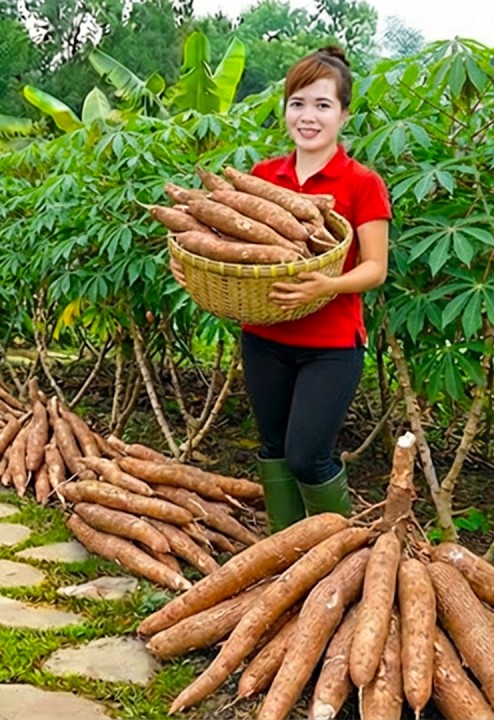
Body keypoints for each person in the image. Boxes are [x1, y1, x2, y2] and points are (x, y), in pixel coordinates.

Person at [171, 46, 392, 531]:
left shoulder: (361, 184)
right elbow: (225, 242)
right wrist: (194, 268)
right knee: (272, 450)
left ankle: (340, 555)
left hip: (331, 345)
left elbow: (375, 269)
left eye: (322, 105)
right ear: (285, 109)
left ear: (343, 114)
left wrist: (326, 285)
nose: (307, 116)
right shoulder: (264, 177)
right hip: (265, 338)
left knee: (307, 456)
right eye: (298, 103)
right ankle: (286, 554)